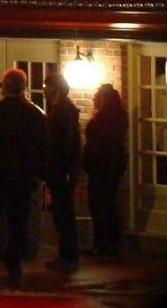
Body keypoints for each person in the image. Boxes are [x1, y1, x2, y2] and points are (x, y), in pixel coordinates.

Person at [0, 68, 47, 280]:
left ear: (5, 87)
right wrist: (37, 174)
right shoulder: (34, 114)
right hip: (21, 178)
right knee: (17, 223)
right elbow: (41, 147)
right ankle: (14, 262)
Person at [84, 83, 128, 258]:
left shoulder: (104, 121)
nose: (94, 100)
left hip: (102, 167)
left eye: (97, 97)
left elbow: (97, 145)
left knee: (100, 205)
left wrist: (88, 161)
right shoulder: (117, 118)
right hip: (110, 166)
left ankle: (102, 243)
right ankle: (110, 243)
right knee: (108, 204)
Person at [43, 72, 82, 271]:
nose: (44, 90)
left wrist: (57, 169)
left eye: (47, 86)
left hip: (61, 171)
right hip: (64, 170)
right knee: (64, 214)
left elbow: (60, 144)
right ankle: (67, 254)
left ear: (55, 88)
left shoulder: (60, 111)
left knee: (63, 215)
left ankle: (68, 256)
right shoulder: (65, 109)